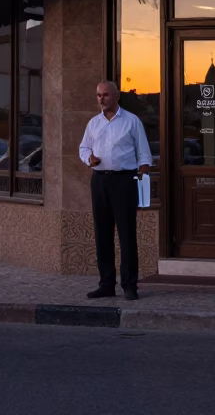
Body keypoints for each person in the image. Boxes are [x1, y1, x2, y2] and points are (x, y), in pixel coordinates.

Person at [78, 80, 152, 301]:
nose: (101, 99)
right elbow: (83, 147)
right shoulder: (93, 123)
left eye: (106, 95)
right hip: (100, 181)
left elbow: (144, 153)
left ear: (116, 96)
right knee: (102, 234)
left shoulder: (132, 121)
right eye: (99, 95)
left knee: (127, 234)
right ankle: (106, 284)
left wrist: (143, 179)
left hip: (124, 181)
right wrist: (89, 159)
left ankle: (129, 285)